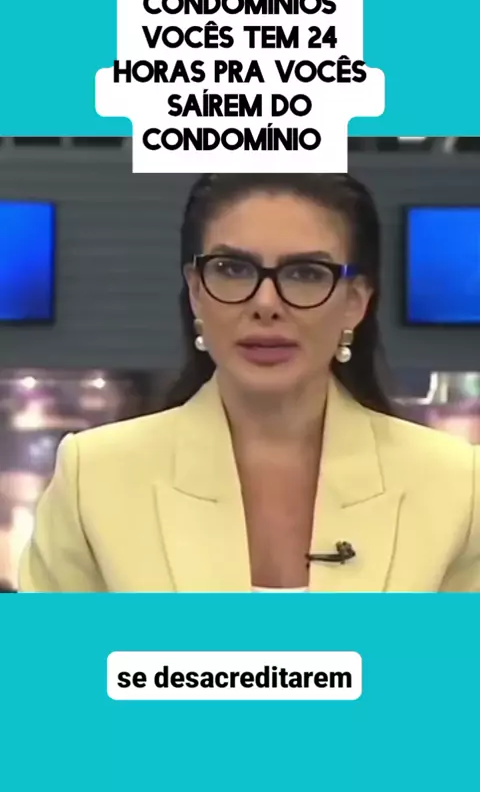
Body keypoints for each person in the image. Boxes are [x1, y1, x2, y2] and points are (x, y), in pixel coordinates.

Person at [19, 173, 479, 593]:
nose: (265, 304)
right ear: (196, 291)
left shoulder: (457, 486)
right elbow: (52, 658)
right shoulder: (93, 477)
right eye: (233, 269)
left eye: (305, 274)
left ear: (354, 303)